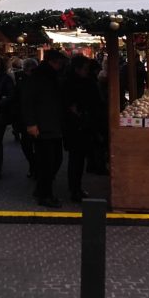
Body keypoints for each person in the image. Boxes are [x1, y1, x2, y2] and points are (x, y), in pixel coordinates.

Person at [22, 49, 68, 208]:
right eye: (59, 62)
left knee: (54, 160)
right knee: (47, 162)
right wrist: (31, 123)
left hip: (51, 124)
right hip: (43, 125)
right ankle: (45, 195)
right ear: (53, 62)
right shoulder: (40, 77)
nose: (61, 65)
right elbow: (28, 101)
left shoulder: (50, 76)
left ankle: (42, 190)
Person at [63, 55, 100, 201]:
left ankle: (75, 188)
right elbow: (70, 105)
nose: (87, 71)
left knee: (77, 159)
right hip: (77, 126)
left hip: (80, 125)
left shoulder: (77, 81)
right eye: (85, 68)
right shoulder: (75, 83)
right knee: (76, 160)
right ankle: (74, 189)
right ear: (77, 69)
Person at [11, 58, 39, 179]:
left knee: (35, 144)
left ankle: (35, 166)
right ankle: (33, 165)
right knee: (27, 144)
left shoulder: (38, 79)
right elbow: (15, 98)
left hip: (35, 117)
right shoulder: (18, 78)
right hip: (24, 117)